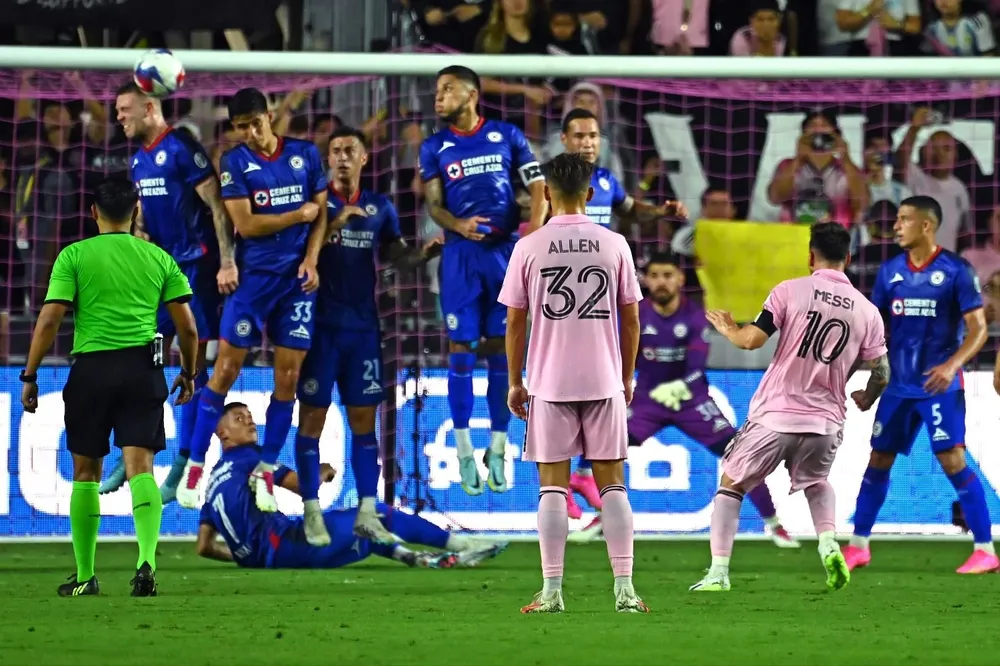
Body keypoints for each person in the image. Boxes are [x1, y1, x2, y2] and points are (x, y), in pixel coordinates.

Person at [21, 176, 199, 597]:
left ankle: (86, 576)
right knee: (142, 470)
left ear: (93, 212)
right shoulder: (158, 257)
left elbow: (49, 319)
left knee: (86, 473)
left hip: (92, 373)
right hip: (143, 370)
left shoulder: (75, 255)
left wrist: (30, 374)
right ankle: (147, 565)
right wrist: (189, 373)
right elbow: (188, 328)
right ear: (136, 211)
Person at [689, 222, 888, 593]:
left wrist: (730, 328)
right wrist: (868, 396)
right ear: (848, 258)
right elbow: (882, 371)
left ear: (811, 255)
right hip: (826, 421)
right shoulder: (868, 311)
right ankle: (829, 542)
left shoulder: (790, 291)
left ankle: (718, 573)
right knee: (816, 481)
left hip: (776, 414)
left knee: (731, 485)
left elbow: (751, 341)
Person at [177, 88, 330, 543]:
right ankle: (195, 466)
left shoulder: (304, 155)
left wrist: (313, 258)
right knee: (223, 369)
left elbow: (321, 214)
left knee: (288, 379)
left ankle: (266, 470)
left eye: (253, 123)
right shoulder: (234, 162)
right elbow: (245, 224)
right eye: (240, 126)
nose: (248, 132)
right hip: (253, 282)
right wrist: (296, 213)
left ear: (269, 116)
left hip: (295, 285)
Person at [499, 153, 648, 614]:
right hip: (603, 378)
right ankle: (625, 591)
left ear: (546, 193)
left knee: (552, 488)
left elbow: (514, 323)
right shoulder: (615, 243)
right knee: (613, 486)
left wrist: (514, 381)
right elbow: (632, 320)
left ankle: (551, 592)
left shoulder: (529, 246)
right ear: (589, 193)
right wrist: (625, 376)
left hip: (549, 380)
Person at [296, 126, 442, 545]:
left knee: (365, 423)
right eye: (335, 150)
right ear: (327, 160)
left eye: (349, 150)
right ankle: (311, 511)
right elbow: (299, 258)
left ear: (364, 159)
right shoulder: (316, 206)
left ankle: (366, 510)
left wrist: (424, 254)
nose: (341, 156)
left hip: (363, 329)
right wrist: (335, 222)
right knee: (312, 420)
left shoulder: (380, 207)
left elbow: (397, 256)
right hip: (319, 328)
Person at [98, 82, 239, 503]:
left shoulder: (180, 147)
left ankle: (180, 466)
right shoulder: (139, 159)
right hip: (161, 272)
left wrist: (228, 261)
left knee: (194, 364)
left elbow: (216, 204)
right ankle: (131, 451)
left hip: (197, 267)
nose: (119, 116)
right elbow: (145, 221)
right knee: (137, 351)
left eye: (125, 109)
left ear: (149, 107)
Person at [843, 195, 998, 575]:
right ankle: (858, 545)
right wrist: (873, 384)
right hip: (897, 387)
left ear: (926, 226)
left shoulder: (957, 270)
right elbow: (874, 332)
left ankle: (985, 549)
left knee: (952, 460)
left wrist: (951, 366)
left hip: (938, 386)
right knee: (878, 459)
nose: (896, 226)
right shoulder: (890, 271)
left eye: (904, 219)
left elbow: (978, 330)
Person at [419, 65, 547, 497]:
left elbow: (538, 187)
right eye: (437, 91)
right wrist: (456, 222)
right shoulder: (433, 146)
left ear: (471, 94)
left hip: (505, 254)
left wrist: (535, 229)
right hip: (459, 257)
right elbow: (434, 205)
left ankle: (497, 446)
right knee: (461, 349)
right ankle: (462, 449)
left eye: (447, 89)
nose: (439, 98)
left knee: (501, 351)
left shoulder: (508, 136)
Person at [617, 251, 799, 549]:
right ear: (645, 280)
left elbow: (696, 366)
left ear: (679, 279)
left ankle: (774, 524)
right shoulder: (635, 314)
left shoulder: (694, 315)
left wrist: (677, 387)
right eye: (655, 276)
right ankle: (602, 516)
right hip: (648, 402)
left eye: (667, 275)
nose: (661, 282)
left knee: (740, 456)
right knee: (605, 446)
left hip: (692, 402)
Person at [559, 109, 688, 523]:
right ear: (564, 140)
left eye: (594, 135)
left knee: (602, 391)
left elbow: (630, 209)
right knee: (563, 393)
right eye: (579, 135)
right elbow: (534, 231)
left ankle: (580, 475)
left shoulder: (606, 182)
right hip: (563, 308)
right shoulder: (553, 184)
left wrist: (660, 210)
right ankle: (561, 483)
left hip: (599, 304)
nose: (587, 142)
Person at [197, 402, 507, 571]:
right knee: (375, 515)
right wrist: (323, 470)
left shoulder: (211, 482)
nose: (250, 423)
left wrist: (244, 557)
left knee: (365, 535)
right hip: (289, 545)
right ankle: (464, 545)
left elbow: (204, 547)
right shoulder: (251, 458)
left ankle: (416, 559)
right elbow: (302, 485)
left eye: (250, 417)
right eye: (240, 419)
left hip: (272, 556)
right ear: (222, 434)